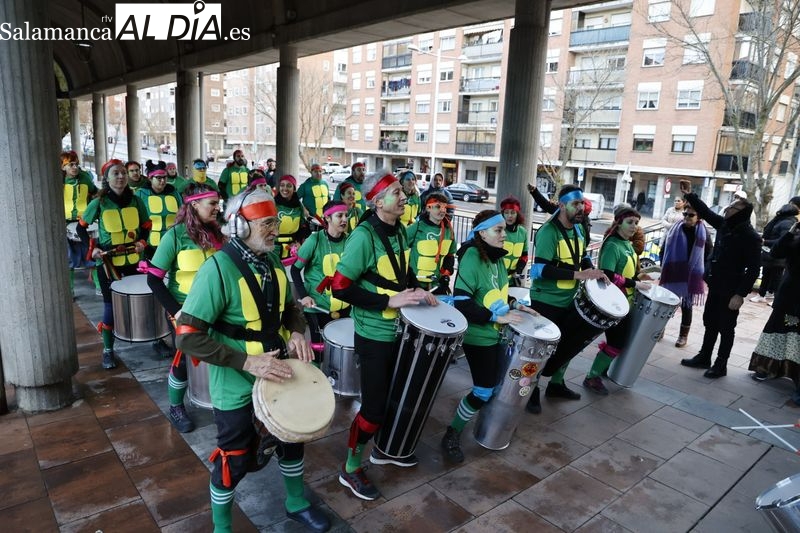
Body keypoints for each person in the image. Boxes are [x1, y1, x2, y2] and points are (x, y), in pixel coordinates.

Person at [175, 189, 329, 533]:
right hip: (236, 379)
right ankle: (222, 528)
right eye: (267, 223)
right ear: (240, 226)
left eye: (276, 221)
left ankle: (295, 503)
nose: (276, 229)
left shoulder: (273, 260)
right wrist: (247, 362)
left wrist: (300, 331)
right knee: (235, 457)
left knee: (293, 437)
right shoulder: (216, 269)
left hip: (279, 370)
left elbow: (290, 309)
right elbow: (186, 335)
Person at [331, 170, 437, 500]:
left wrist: (416, 287)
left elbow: (401, 270)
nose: (404, 195)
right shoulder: (363, 237)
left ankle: (384, 450)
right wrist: (388, 301)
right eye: (395, 192)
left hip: (399, 330)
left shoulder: (401, 230)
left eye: (401, 190)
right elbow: (340, 288)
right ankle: (350, 468)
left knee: (395, 398)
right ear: (378, 202)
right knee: (373, 409)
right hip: (374, 334)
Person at [440, 210, 537, 462]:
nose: (505, 235)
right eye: (498, 230)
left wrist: (515, 305)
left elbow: (496, 294)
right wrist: (497, 318)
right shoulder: (472, 255)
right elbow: (462, 302)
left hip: (496, 334)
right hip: (479, 335)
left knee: (495, 387)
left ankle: (483, 427)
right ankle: (452, 432)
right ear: (482, 233)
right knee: (484, 390)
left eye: (504, 230)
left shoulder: (496, 258)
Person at [142, 183, 223, 433]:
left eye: (218, 203)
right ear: (194, 205)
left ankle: (225, 406)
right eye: (213, 203)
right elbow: (153, 279)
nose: (218, 208)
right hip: (184, 311)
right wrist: (177, 311)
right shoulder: (174, 236)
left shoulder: (220, 234)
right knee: (182, 361)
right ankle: (176, 406)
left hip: (219, 311)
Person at [525, 185, 608, 413]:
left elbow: (581, 257)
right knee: (540, 350)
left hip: (568, 299)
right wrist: (580, 275)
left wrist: (594, 271)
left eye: (582, 203)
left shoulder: (578, 230)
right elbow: (541, 269)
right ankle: (531, 390)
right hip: (545, 301)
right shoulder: (548, 231)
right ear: (562, 205)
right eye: (575, 204)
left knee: (566, 347)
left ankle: (556, 384)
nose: (581, 208)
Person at [679, 179, 761, 378]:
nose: (729, 208)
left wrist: (740, 295)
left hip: (731, 289)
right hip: (716, 284)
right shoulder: (726, 225)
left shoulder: (751, 237)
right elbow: (705, 212)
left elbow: (753, 269)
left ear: (741, 212)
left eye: (733, 207)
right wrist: (690, 195)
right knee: (710, 321)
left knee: (726, 327)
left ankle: (720, 364)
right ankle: (704, 357)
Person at [77, 159, 151, 369]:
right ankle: (108, 350)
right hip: (110, 264)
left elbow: (146, 225)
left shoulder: (136, 201)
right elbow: (82, 229)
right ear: (106, 179)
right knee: (110, 307)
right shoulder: (99, 202)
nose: (120, 177)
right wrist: (94, 250)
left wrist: (142, 241)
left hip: (135, 262)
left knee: (144, 301)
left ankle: (155, 339)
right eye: (116, 174)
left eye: (123, 173)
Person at [582, 206, 652, 394]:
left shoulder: (627, 244)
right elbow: (608, 275)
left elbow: (626, 272)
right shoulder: (613, 244)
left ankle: (600, 370)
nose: (634, 227)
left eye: (637, 223)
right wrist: (635, 284)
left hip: (623, 303)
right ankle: (592, 377)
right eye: (630, 222)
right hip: (612, 304)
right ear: (619, 222)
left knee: (618, 342)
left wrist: (640, 277)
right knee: (616, 342)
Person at [291, 200, 351, 363]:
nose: (344, 219)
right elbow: (295, 270)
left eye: (346, 215)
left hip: (343, 304)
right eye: (339, 216)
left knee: (341, 346)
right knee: (319, 348)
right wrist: (303, 296)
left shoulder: (350, 241)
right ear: (328, 218)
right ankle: (318, 381)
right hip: (317, 306)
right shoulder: (315, 240)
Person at [748, 220, 800, 402]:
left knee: (794, 335)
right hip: (789, 295)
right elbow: (777, 252)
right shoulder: (795, 237)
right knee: (779, 331)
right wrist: (790, 232)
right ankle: (770, 368)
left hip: (792, 296)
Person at [659, 202, 712, 347]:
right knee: (667, 302)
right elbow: (665, 247)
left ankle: (683, 336)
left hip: (691, 273)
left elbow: (709, 253)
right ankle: (660, 328)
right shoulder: (675, 229)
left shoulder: (703, 232)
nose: (687, 217)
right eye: (685, 214)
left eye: (691, 215)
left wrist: (703, 271)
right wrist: (663, 265)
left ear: (698, 217)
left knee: (686, 305)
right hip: (673, 271)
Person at [62, 150, 98, 295]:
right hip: (64, 222)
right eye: (71, 164)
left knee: (92, 253)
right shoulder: (58, 180)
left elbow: (95, 192)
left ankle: (99, 286)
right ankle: (70, 291)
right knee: (68, 258)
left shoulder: (85, 178)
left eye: (76, 164)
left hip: (84, 222)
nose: (75, 167)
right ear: (63, 166)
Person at [406, 192, 455, 293]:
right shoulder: (417, 227)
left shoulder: (449, 231)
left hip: (437, 285)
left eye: (444, 207)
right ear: (428, 208)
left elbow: (450, 255)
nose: (442, 211)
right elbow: (399, 249)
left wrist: (446, 275)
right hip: (416, 285)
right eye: (438, 207)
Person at [750, 203, 800, 303]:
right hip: (769, 254)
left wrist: (766, 242)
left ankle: (772, 297)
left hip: (777, 257)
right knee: (767, 275)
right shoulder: (781, 221)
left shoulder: (786, 223)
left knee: (775, 277)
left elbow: (783, 240)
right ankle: (762, 294)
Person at [136, 160, 183, 258]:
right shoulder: (140, 194)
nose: (162, 181)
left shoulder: (174, 193)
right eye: (158, 178)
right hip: (149, 245)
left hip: (173, 241)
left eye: (165, 177)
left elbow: (183, 213)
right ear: (150, 178)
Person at [274, 174, 309, 263]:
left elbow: (303, 227)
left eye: (289, 186)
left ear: (294, 189)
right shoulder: (273, 204)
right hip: (274, 249)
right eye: (282, 185)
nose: (285, 189)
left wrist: (299, 242)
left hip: (292, 250)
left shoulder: (299, 206)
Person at [499, 196, 529, 287]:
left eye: (513, 212)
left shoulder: (523, 232)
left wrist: (519, 269)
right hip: (497, 279)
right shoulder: (498, 230)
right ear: (502, 214)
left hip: (512, 280)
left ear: (517, 214)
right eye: (506, 212)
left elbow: (524, 255)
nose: (509, 216)